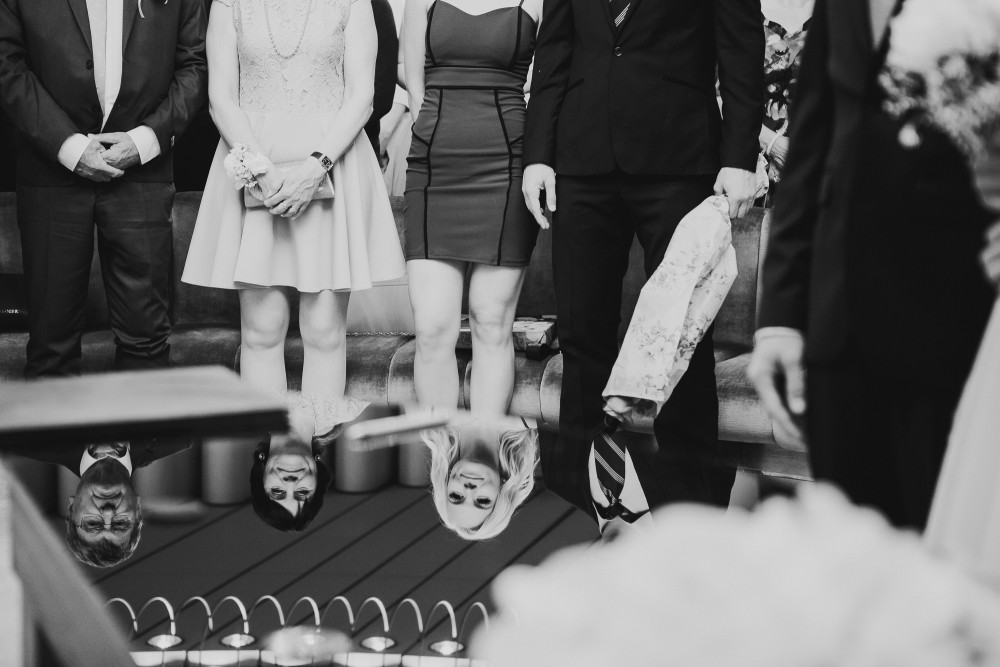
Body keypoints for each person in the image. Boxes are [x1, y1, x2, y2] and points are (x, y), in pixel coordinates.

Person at [748, 0, 996, 531]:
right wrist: (781, 316)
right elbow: (815, 137)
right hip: (839, 324)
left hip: (966, 315)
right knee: (855, 554)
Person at [523, 0, 764, 521]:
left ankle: (691, 501)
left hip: (680, 154)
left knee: (682, 334)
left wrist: (740, 157)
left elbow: (742, 49)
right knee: (581, 330)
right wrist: (538, 154)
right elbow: (554, 49)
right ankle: (589, 493)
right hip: (581, 158)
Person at [181, 0, 406, 439]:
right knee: (261, 331)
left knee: (324, 331)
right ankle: (274, 453)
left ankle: (313, 451)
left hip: (334, 158)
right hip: (252, 157)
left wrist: (315, 167)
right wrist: (258, 169)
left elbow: (363, 96)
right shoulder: (228, 3)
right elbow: (220, 98)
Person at [0, 0, 208, 378]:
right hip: (50, 172)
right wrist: (68, 146)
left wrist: (145, 140)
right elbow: (7, 63)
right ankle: (57, 421)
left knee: (147, 343)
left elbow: (195, 65)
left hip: (143, 173)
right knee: (50, 347)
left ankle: (137, 421)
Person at [401, 0, 544, 416]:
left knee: (490, 321)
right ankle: (440, 454)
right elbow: (413, 82)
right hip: (433, 166)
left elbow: (553, 80)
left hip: (507, 164)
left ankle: (484, 451)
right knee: (431, 328)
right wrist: (430, 134)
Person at [8, 439, 191, 567]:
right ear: (137, 510)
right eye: (120, 523)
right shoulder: (179, 437)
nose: (108, 512)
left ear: (71, 509)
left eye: (93, 523)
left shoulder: (27, 441)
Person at [422, 420, 538, 539]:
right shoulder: (531, 418)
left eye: (456, 496)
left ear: (447, 481)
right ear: (501, 487)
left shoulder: (432, 416)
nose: (469, 490)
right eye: (483, 500)